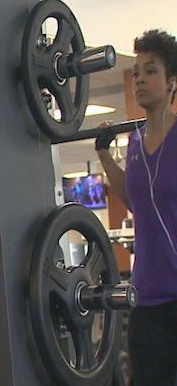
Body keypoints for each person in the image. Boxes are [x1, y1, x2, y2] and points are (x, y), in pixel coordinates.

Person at [96, 29, 177, 386]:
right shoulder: (133, 140)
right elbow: (135, 202)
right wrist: (103, 154)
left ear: (172, 82)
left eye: (152, 70)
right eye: (137, 72)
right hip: (146, 297)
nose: (140, 79)